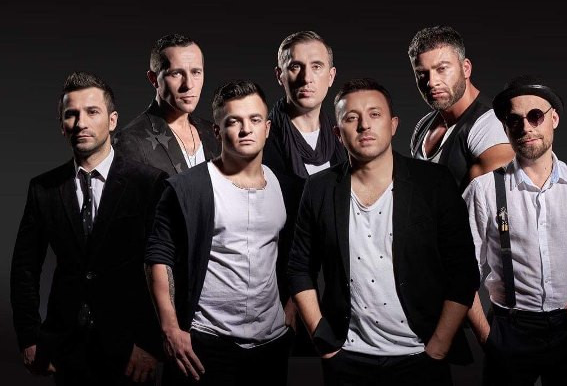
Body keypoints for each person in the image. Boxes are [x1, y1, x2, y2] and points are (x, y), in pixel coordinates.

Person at [288, 78, 479, 386]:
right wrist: (322, 338)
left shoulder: (434, 183)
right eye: (351, 118)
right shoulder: (319, 188)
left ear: (393, 125)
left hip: (421, 356)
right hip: (346, 358)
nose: (364, 125)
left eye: (374, 114)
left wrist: (440, 345)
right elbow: (299, 269)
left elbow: (464, 271)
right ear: (337, 134)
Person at [463, 75, 567, 385]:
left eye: (535, 116)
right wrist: (487, 338)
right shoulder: (482, 191)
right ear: (505, 128)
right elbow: (460, 271)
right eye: (514, 119)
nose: (525, 127)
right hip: (509, 327)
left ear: (553, 119)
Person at [10, 71, 168, 385]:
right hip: (66, 347)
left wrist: (151, 343)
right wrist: (29, 336)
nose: (81, 122)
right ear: (62, 125)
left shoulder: (149, 183)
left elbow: (166, 268)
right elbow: (24, 268)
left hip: (131, 348)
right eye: (71, 114)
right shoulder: (43, 188)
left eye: (92, 112)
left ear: (112, 120)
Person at [145, 80, 292, 386]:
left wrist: (291, 311)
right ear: (217, 131)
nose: (246, 129)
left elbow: (298, 254)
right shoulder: (188, 187)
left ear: (267, 128)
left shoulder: (283, 185)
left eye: (254, 120)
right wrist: (170, 328)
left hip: (271, 344)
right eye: (234, 121)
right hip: (207, 342)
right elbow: (158, 256)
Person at [263, 30, 347, 355]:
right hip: (274, 297)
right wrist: (291, 295)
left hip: (339, 296)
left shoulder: (344, 140)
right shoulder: (261, 140)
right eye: (295, 66)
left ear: (331, 76)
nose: (306, 78)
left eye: (316, 66)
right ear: (280, 75)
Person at [408, 25, 513, 190]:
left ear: (466, 69)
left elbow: (487, 202)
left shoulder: (492, 126)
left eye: (442, 69)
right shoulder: (423, 125)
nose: (432, 82)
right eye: (422, 73)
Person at [113, 33, 218, 175]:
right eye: (176, 73)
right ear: (153, 79)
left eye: (196, 72)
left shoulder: (213, 133)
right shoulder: (130, 141)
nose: (189, 85)